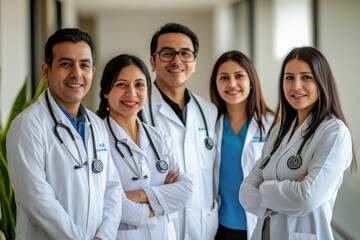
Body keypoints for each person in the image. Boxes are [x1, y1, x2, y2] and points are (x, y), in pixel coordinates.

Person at [6, 28, 122, 240]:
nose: (76, 73)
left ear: (92, 72)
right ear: (46, 71)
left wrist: (103, 236)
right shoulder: (28, 125)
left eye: (84, 65)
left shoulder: (96, 125)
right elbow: (37, 200)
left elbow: (112, 189)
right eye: (66, 63)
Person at [239, 46, 357, 240]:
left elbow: (306, 198)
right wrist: (289, 188)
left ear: (322, 81)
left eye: (306, 77)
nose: (296, 86)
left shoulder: (334, 132)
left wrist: (263, 187)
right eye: (289, 77)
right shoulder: (279, 130)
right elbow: (245, 193)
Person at [96, 54, 193, 240]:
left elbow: (185, 191)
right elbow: (103, 202)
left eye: (139, 85)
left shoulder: (158, 137)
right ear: (106, 91)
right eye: (121, 84)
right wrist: (161, 200)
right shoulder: (96, 138)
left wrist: (137, 195)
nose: (131, 93)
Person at [140, 23, 218, 240]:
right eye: (167, 53)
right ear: (153, 62)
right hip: (158, 225)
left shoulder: (209, 111)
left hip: (202, 227)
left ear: (194, 62)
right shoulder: (138, 110)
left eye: (185, 53)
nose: (177, 60)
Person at [210, 50, 274, 240]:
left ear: (251, 81)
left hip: (261, 220)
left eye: (239, 76)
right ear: (216, 84)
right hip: (221, 224)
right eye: (224, 77)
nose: (231, 84)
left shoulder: (272, 124)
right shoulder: (211, 123)